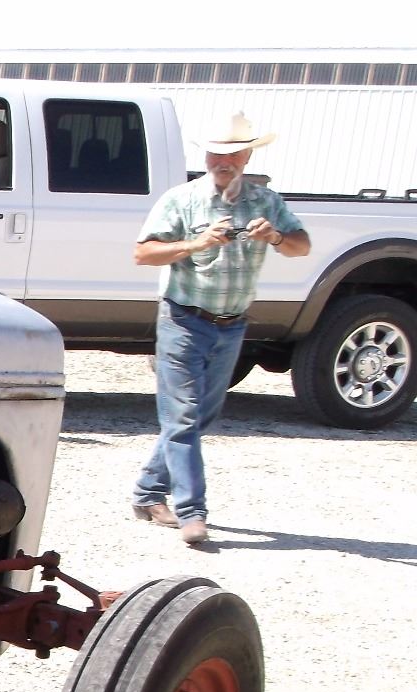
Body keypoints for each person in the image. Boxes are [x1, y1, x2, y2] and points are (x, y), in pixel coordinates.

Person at [131, 112, 311, 546]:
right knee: (185, 415)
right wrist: (196, 243)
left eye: (232, 154)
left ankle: (147, 492)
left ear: (247, 156)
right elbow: (143, 253)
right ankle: (192, 512)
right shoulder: (183, 199)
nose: (223, 161)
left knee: (197, 417)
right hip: (183, 320)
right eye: (217, 153)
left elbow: (302, 246)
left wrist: (275, 238)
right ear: (206, 154)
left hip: (231, 326)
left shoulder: (266, 202)